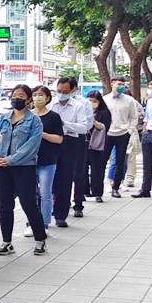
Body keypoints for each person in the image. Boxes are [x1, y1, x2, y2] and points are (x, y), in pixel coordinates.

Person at [0, 84, 48, 256]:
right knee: (5, 205)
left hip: (24, 167)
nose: (16, 98)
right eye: (14, 95)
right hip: (1, 167)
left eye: (21, 96)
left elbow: (31, 147)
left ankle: (40, 240)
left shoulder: (34, 121)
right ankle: (7, 242)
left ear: (28, 99)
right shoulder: (2, 118)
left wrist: (10, 160)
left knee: (28, 203)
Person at [49, 77, 88, 227]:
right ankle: (48, 209)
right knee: (48, 177)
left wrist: (64, 124)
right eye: (59, 91)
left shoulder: (78, 106)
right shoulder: (51, 104)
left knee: (65, 179)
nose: (61, 94)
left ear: (72, 90)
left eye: (65, 92)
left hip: (69, 142)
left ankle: (61, 214)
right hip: (50, 141)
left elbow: (83, 127)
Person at [28, 85, 63, 235]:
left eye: (41, 95)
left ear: (47, 98)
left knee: (45, 192)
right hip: (28, 160)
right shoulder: (27, 116)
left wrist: (42, 134)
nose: (37, 98)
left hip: (47, 159)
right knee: (31, 192)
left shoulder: (54, 117)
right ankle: (32, 221)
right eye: (34, 94)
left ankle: (44, 223)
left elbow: (59, 139)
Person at [103, 77, 139, 198]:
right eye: (119, 84)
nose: (121, 86)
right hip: (108, 134)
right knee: (102, 161)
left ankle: (116, 187)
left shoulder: (129, 100)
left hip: (123, 134)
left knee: (120, 162)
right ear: (112, 84)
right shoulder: (105, 100)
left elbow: (134, 116)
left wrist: (129, 130)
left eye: (123, 84)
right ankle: (99, 187)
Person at [69, 76, 93, 217]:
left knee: (79, 173)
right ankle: (60, 203)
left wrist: (68, 126)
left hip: (78, 140)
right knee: (61, 174)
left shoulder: (83, 103)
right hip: (60, 140)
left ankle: (78, 204)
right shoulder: (54, 102)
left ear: (75, 89)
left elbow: (87, 125)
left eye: (68, 90)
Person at [85, 90, 112, 201]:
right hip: (84, 144)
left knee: (98, 169)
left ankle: (97, 193)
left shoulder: (104, 113)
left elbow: (104, 127)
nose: (92, 103)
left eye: (94, 101)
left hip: (98, 144)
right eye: (90, 100)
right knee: (82, 169)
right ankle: (84, 191)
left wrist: (92, 118)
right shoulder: (82, 111)